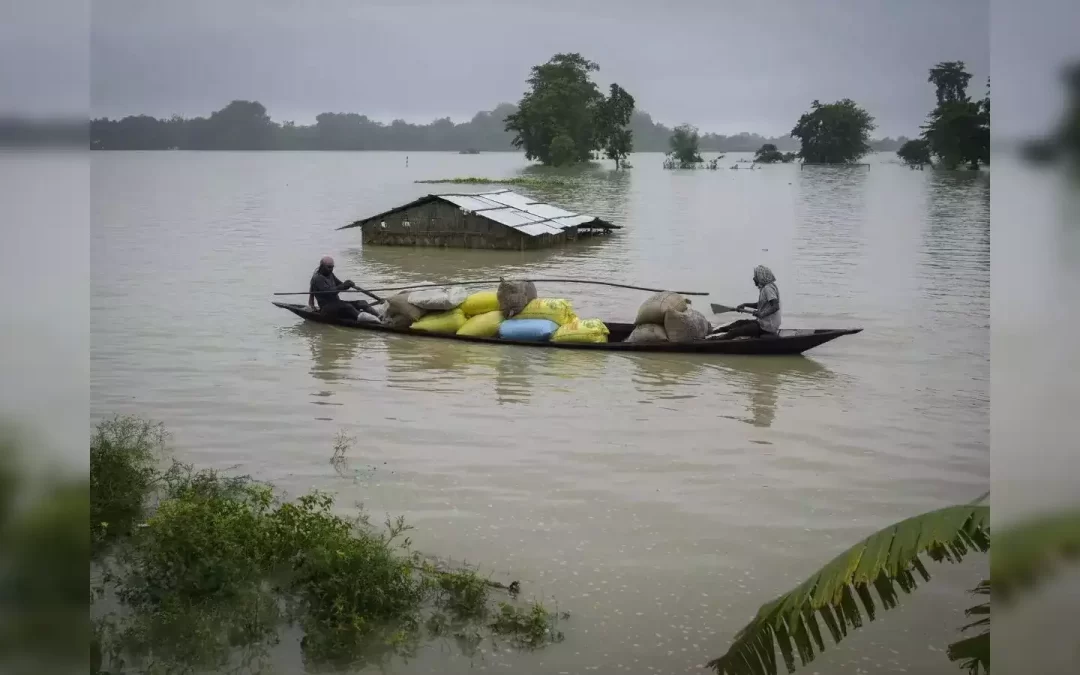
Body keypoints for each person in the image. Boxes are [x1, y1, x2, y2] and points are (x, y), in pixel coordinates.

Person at [709, 265, 781, 340]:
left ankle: (712, 340)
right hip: (762, 323)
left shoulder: (768, 288)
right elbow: (760, 305)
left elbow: (775, 306)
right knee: (738, 323)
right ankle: (712, 333)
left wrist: (762, 314)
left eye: (755, 276)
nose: (753, 279)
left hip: (767, 327)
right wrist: (745, 305)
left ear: (761, 277)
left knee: (735, 332)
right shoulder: (765, 288)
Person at [307, 255, 379, 321]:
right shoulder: (317, 278)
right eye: (329, 267)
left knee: (362, 303)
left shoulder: (330, 274)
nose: (331, 269)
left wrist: (348, 283)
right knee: (348, 307)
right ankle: (363, 318)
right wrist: (343, 286)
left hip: (338, 304)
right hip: (326, 309)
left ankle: (380, 317)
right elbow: (329, 292)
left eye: (332, 267)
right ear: (322, 266)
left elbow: (340, 285)